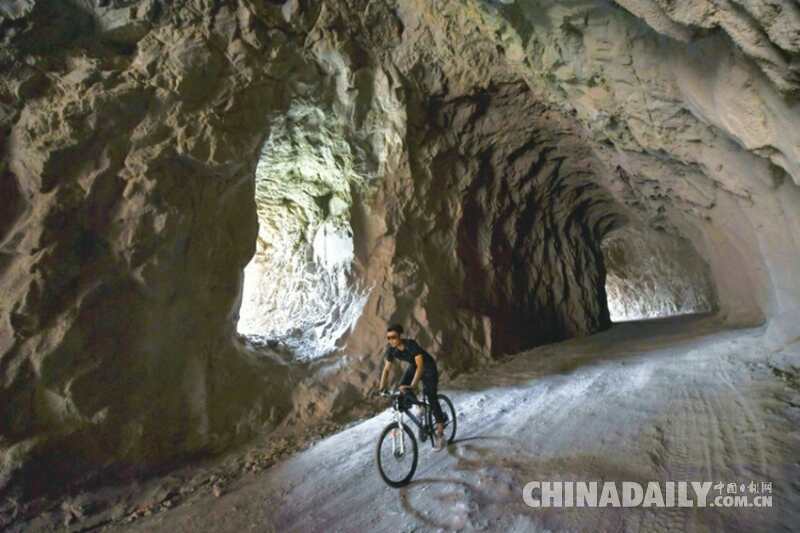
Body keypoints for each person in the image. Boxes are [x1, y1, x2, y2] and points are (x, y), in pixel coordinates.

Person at [378, 324, 446, 451]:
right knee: (402, 388)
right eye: (388, 338)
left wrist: (413, 385)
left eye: (393, 337)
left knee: (431, 396)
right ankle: (421, 408)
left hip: (428, 368)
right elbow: (386, 370)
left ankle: (440, 434)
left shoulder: (411, 345)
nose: (391, 340)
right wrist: (382, 388)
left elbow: (421, 367)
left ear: (400, 336)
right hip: (414, 367)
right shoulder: (391, 350)